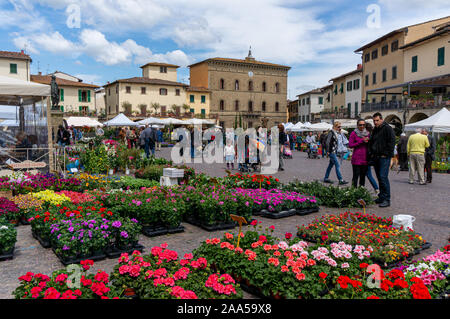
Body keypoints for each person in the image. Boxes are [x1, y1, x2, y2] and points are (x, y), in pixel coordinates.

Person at [368, 112, 396, 207]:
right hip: (376, 157)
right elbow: (373, 141)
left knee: (383, 177)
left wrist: (387, 154)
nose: (375, 122)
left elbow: (392, 141)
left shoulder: (387, 128)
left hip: (384, 157)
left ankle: (387, 199)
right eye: (374, 121)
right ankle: (381, 197)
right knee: (380, 178)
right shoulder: (375, 129)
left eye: (377, 120)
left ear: (381, 119)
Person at [348, 119, 369, 187]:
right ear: (357, 125)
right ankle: (354, 192)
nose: (362, 126)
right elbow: (350, 145)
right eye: (360, 125)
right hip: (356, 159)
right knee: (355, 177)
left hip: (365, 159)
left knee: (363, 177)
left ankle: (361, 193)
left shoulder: (368, 133)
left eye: (363, 125)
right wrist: (361, 141)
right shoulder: (354, 133)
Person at [365, 122, 380, 195]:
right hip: (370, 157)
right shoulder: (373, 134)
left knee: (367, 174)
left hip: (366, 157)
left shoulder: (368, 136)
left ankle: (377, 189)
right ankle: (377, 189)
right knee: (368, 174)